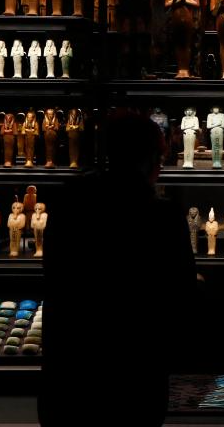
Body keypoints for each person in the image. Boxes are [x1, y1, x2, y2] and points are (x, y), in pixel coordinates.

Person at [39, 111, 197, 425]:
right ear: (152, 160)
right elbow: (181, 294)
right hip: (135, 376)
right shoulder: (162, 217)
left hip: (70, 373)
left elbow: (55, 276)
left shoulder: (70, 207)